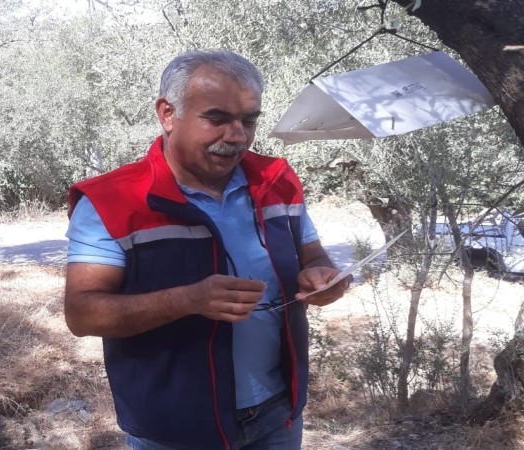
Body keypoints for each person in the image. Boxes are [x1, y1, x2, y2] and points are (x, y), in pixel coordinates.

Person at [64, 50, 350, 450]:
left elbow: (313, 257)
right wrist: (189, 300)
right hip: (175, 431)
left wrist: (324, 277)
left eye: (249, 120)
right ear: (167, 114)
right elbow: (82, 314)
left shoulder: (276, 181)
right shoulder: (112, 200)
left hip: (278, 415)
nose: (237, 136)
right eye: (216, 119)